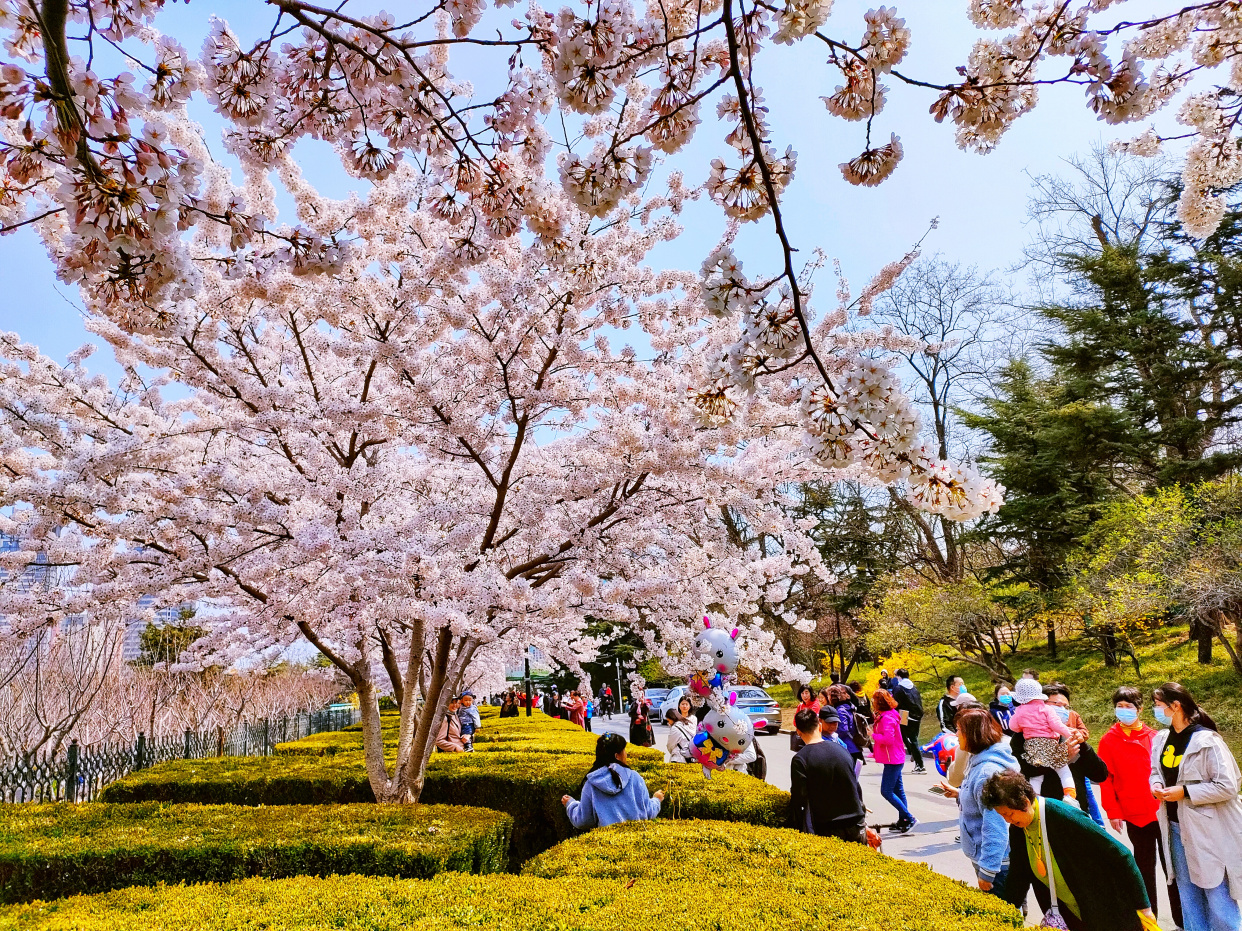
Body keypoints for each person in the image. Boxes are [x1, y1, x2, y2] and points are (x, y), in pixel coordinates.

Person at [984, 770, 1155, 931]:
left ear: (1025, 802)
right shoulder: (1019, 829)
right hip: (1070, 915)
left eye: (1009, 814)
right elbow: (1018, 877)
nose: (1007, 820)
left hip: (1105, 909)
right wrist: (1003, 914)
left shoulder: (1063, 815)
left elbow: (1121, 854)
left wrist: (1144, 906)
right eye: (1003, 816)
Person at [1150, 682, 1242, 931]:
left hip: (1206, 830)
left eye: (1158, 705)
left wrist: (1186, 792)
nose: (1155, 710)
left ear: (1175, 706)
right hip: (1174, 828)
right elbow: (1155, 771)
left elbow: (1228, 785)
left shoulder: (1207, 741)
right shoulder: (1162, 739)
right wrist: (1156, 784)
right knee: (1187, 893)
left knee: (1216, 892)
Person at [1098, 686, 1179, 926]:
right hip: (1135, 816)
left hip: (1162, 813)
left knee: (1172, 870)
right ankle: (1149, 920)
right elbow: (1105, 781)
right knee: (1144, 870)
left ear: (1140, 709)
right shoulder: (1108, 740)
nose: (1123, 711)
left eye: (1129, 707)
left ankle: (1181, 920)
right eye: (1119, 707)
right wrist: (1113, 812)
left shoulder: (1156, 736)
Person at [942, 707, 1019, 898]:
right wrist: (960, 794)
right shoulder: (980, 760)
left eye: (959, 730)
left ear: (972, 734)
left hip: (995, 862)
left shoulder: (986, 772)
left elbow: (996, 824)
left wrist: (988, 871)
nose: (956, 735)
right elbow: (981, 801)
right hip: (991, 858)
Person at [787, 708, 882, 849]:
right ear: (819, 725)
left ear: (799, 733)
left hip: (827, 826)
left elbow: (799, 797)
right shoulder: (842, 750)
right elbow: (856, 786)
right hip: (855, 822)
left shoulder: (801, 759)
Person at [561, 733, 665, 829]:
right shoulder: (634, 777)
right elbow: (648, 811)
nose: (626, 753)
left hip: (607, 844)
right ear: (617, 756)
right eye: (624, 750)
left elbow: (584, 821)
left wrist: (571, 804)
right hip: (637, 841)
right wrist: (656, 800)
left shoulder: (591, 784)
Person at [1043, 683, 1107, 825]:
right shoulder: (1024, 738)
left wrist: (1082, 744)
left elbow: (1100, 774)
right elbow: (1027, 772)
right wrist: (1060, 758)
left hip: (1077, 816)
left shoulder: (1071, 739)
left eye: (1065, 707)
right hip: (1045, 817)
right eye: (1057, 705)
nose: (1063, 711)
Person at [1009, 677, 1076, 799]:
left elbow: (1013, 726)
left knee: (1036, 777)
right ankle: (1070, 794)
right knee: (1063, 770)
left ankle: (1036, 799)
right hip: (1051, 744)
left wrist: (1024, 727)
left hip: (1033, 747)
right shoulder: (1046, 709)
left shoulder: (1019, 711)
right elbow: (1057, 725)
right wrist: (1069, 734)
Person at [871, 689, 917, 833]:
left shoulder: (887, 718)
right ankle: (903, 819)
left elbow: (888, 739)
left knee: (886, 791)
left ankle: (909, 818)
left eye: (874, 700)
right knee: (898, 790)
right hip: (893, 757)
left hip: (893, 759)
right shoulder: (887, 715)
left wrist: (873, 735)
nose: (872, 703)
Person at [891, 668, 926, 774]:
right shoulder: (914, 687)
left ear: (899, 676)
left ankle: (919, 765)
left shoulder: (899, 688)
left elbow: (896, 703)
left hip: (905, 715)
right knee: (910, 737)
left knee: (911, 739)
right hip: (918, 714)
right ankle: (914, 755)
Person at [828, 683, 865, 775]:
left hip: (849, 748)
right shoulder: (848, 707)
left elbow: (843, 729)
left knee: (849, 778)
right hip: (854, 747)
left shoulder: (840, 710)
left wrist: (831, 733)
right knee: (853, 778)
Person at [791, 685, 821, 752]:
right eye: (802, 693)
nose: (805, 695)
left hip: (812, 736)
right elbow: (795, 721)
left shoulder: (815, 705)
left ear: (811, 693)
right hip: (803, 736)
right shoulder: (801, 706)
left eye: (807, 693)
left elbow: (810, 722)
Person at [666, 699, 697, 764]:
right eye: (682, 704)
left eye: (686, 704)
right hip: (690, 754)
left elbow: (670, 744)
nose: (684, 706)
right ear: (679, 706)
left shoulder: (676, 726)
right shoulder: (682, 723)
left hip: (679, 757)